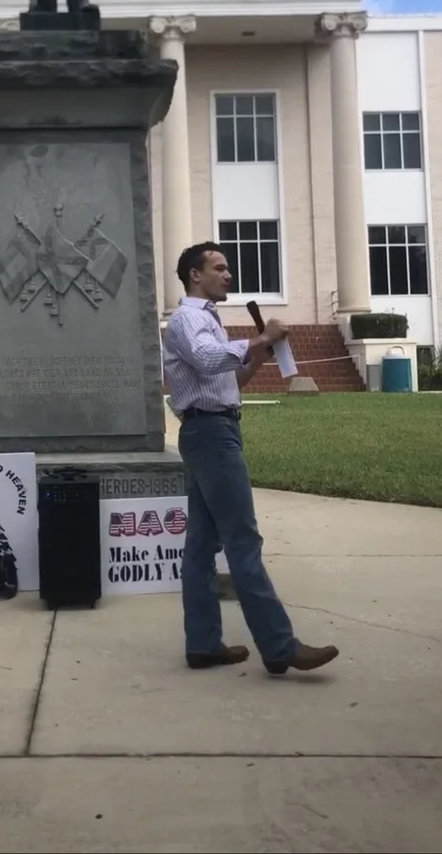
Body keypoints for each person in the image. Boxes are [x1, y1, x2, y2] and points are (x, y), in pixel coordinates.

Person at [163, 241, 339, 676]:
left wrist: (258, 354)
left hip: (212, 429)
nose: (228, 275)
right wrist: (258, 338)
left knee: (203, 544)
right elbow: (206, 362)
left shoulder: (210, 322)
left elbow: (230, 380)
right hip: (211, 435)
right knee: (242, 540)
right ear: (194, 276)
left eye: (227, 269)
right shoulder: (187, 319)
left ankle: (203, 644)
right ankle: (280, 647)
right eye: (219, 268)